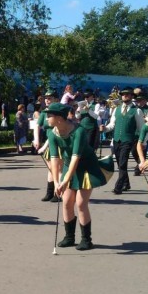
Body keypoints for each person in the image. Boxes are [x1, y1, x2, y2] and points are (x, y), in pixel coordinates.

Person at [46, 103, 113, 251]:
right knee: (66, 202)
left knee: (81, 203)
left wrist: (65, 181)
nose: (46, 119)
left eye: (49, 116)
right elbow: (54, 158)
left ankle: (86, 240)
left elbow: (76, 158)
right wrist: (57, 182)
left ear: (59, 118)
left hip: (86, 167)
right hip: (69, 166)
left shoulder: (79, 131)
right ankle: (69, 237)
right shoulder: (52, 133)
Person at [101, 87, 143, 195]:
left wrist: (143, 142)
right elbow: (112, 124)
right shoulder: (117, 109)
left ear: (132, 96)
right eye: (123, 94)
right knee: (120, 164)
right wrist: (105, 128)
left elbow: (141, 128)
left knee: (123, 163)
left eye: (128, 94)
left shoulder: (137, 110)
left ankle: (118, 187)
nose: (125, 96)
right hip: (116, 140)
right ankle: (126, 183)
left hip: (128, 140)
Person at [33, 89, 59, 201]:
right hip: (49, 142)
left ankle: (58, 193)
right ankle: (49, 192)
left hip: (59, 143)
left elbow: (55, 131)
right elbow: (37, 126)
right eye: (46, 98)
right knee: (50, 168)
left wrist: (44, 146)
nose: (47, 100)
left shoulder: (58, 112)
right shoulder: (44, 112)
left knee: (58, 168)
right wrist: (37, 140)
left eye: (50, 98)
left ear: (56, 99)